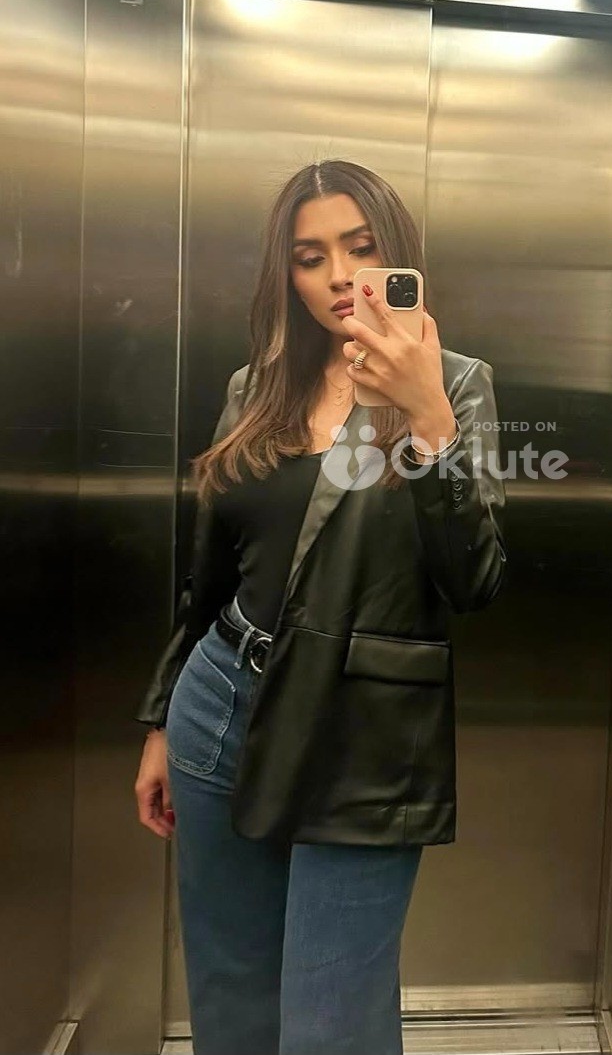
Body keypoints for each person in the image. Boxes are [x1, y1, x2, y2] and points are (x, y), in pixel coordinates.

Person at [133, 160, 506, 1055]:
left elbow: (476, 580)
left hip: (362, 731)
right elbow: (208, 575)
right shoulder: (256, 384)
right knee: (231, 993)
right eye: (310, 257)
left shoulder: (457, 385)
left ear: (396, 255)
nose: (339, 275)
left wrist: (426, 421)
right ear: (286, 274)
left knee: (332, 1022)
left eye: (361, 247)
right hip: (219, 705)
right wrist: (161, 718)